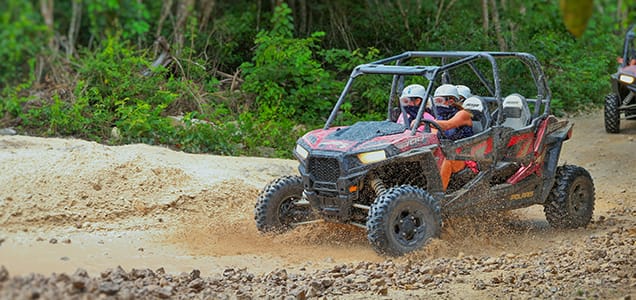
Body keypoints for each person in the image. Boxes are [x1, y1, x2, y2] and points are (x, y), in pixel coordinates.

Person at [431, 84, 474, 191]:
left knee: (448, 159)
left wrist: (421, 122)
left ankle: (438, 196)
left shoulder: (464, 114)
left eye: (439, 101)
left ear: (451, 101)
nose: (437, 104)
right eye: (435, 101)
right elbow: (434, 133)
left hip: (466, 156)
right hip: (448, 151)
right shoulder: (441, 116)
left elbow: (447, 125)